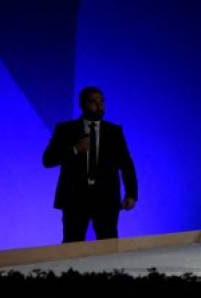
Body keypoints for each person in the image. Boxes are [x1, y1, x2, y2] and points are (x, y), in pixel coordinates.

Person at [42, 86, 138, 243]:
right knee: (72, 246)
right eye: (93, 102)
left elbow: (126, 164)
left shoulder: (114, 131)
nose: (99, 106)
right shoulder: (66, 129)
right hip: (75, 199)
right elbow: (48, 160)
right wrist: (75, 149)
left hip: (106, 199)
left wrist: (131, 194)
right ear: (82, 104)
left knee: (108, 247)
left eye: (102, 101)